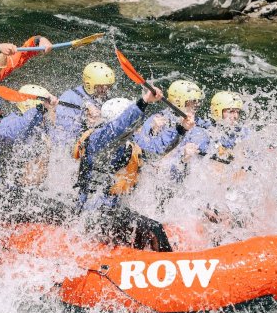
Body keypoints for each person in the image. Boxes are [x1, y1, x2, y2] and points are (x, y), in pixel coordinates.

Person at [73, 87, 193, 252]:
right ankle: (170, 262)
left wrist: (181, 128)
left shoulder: (129, 144)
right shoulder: (98, 139)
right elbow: (119, 127)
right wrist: (143, 102)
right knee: (155, 228)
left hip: (110, 212)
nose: (139, 125)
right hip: (92, 213)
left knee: (140, 224)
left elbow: (156, 151)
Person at [0, 85, 73, 225]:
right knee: (55, 209)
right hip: (0, 192)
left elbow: (62, 143)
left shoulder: (41, 127)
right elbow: (15, 132)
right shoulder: (8, 122)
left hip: (24, 191)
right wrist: (39, 109)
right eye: (44, 109)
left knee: (67, 202)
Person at [134, 80, 210, 183]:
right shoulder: (157, 119)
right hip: (158, 177)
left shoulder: (201, 127)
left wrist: (185, 159)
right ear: (178, 102)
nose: (197, 105)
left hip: (181, 178)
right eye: (193, 101)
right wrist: (153, 132)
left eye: (197, 101)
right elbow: (142, 152)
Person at [51, 62, 115, 147]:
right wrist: (88, 122)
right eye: (101, 86)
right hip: (70, 143)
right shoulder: (69, 100)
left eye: (108, 86)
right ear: (89, 85)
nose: (105, 90)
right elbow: (64, 137)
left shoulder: (103, 97)